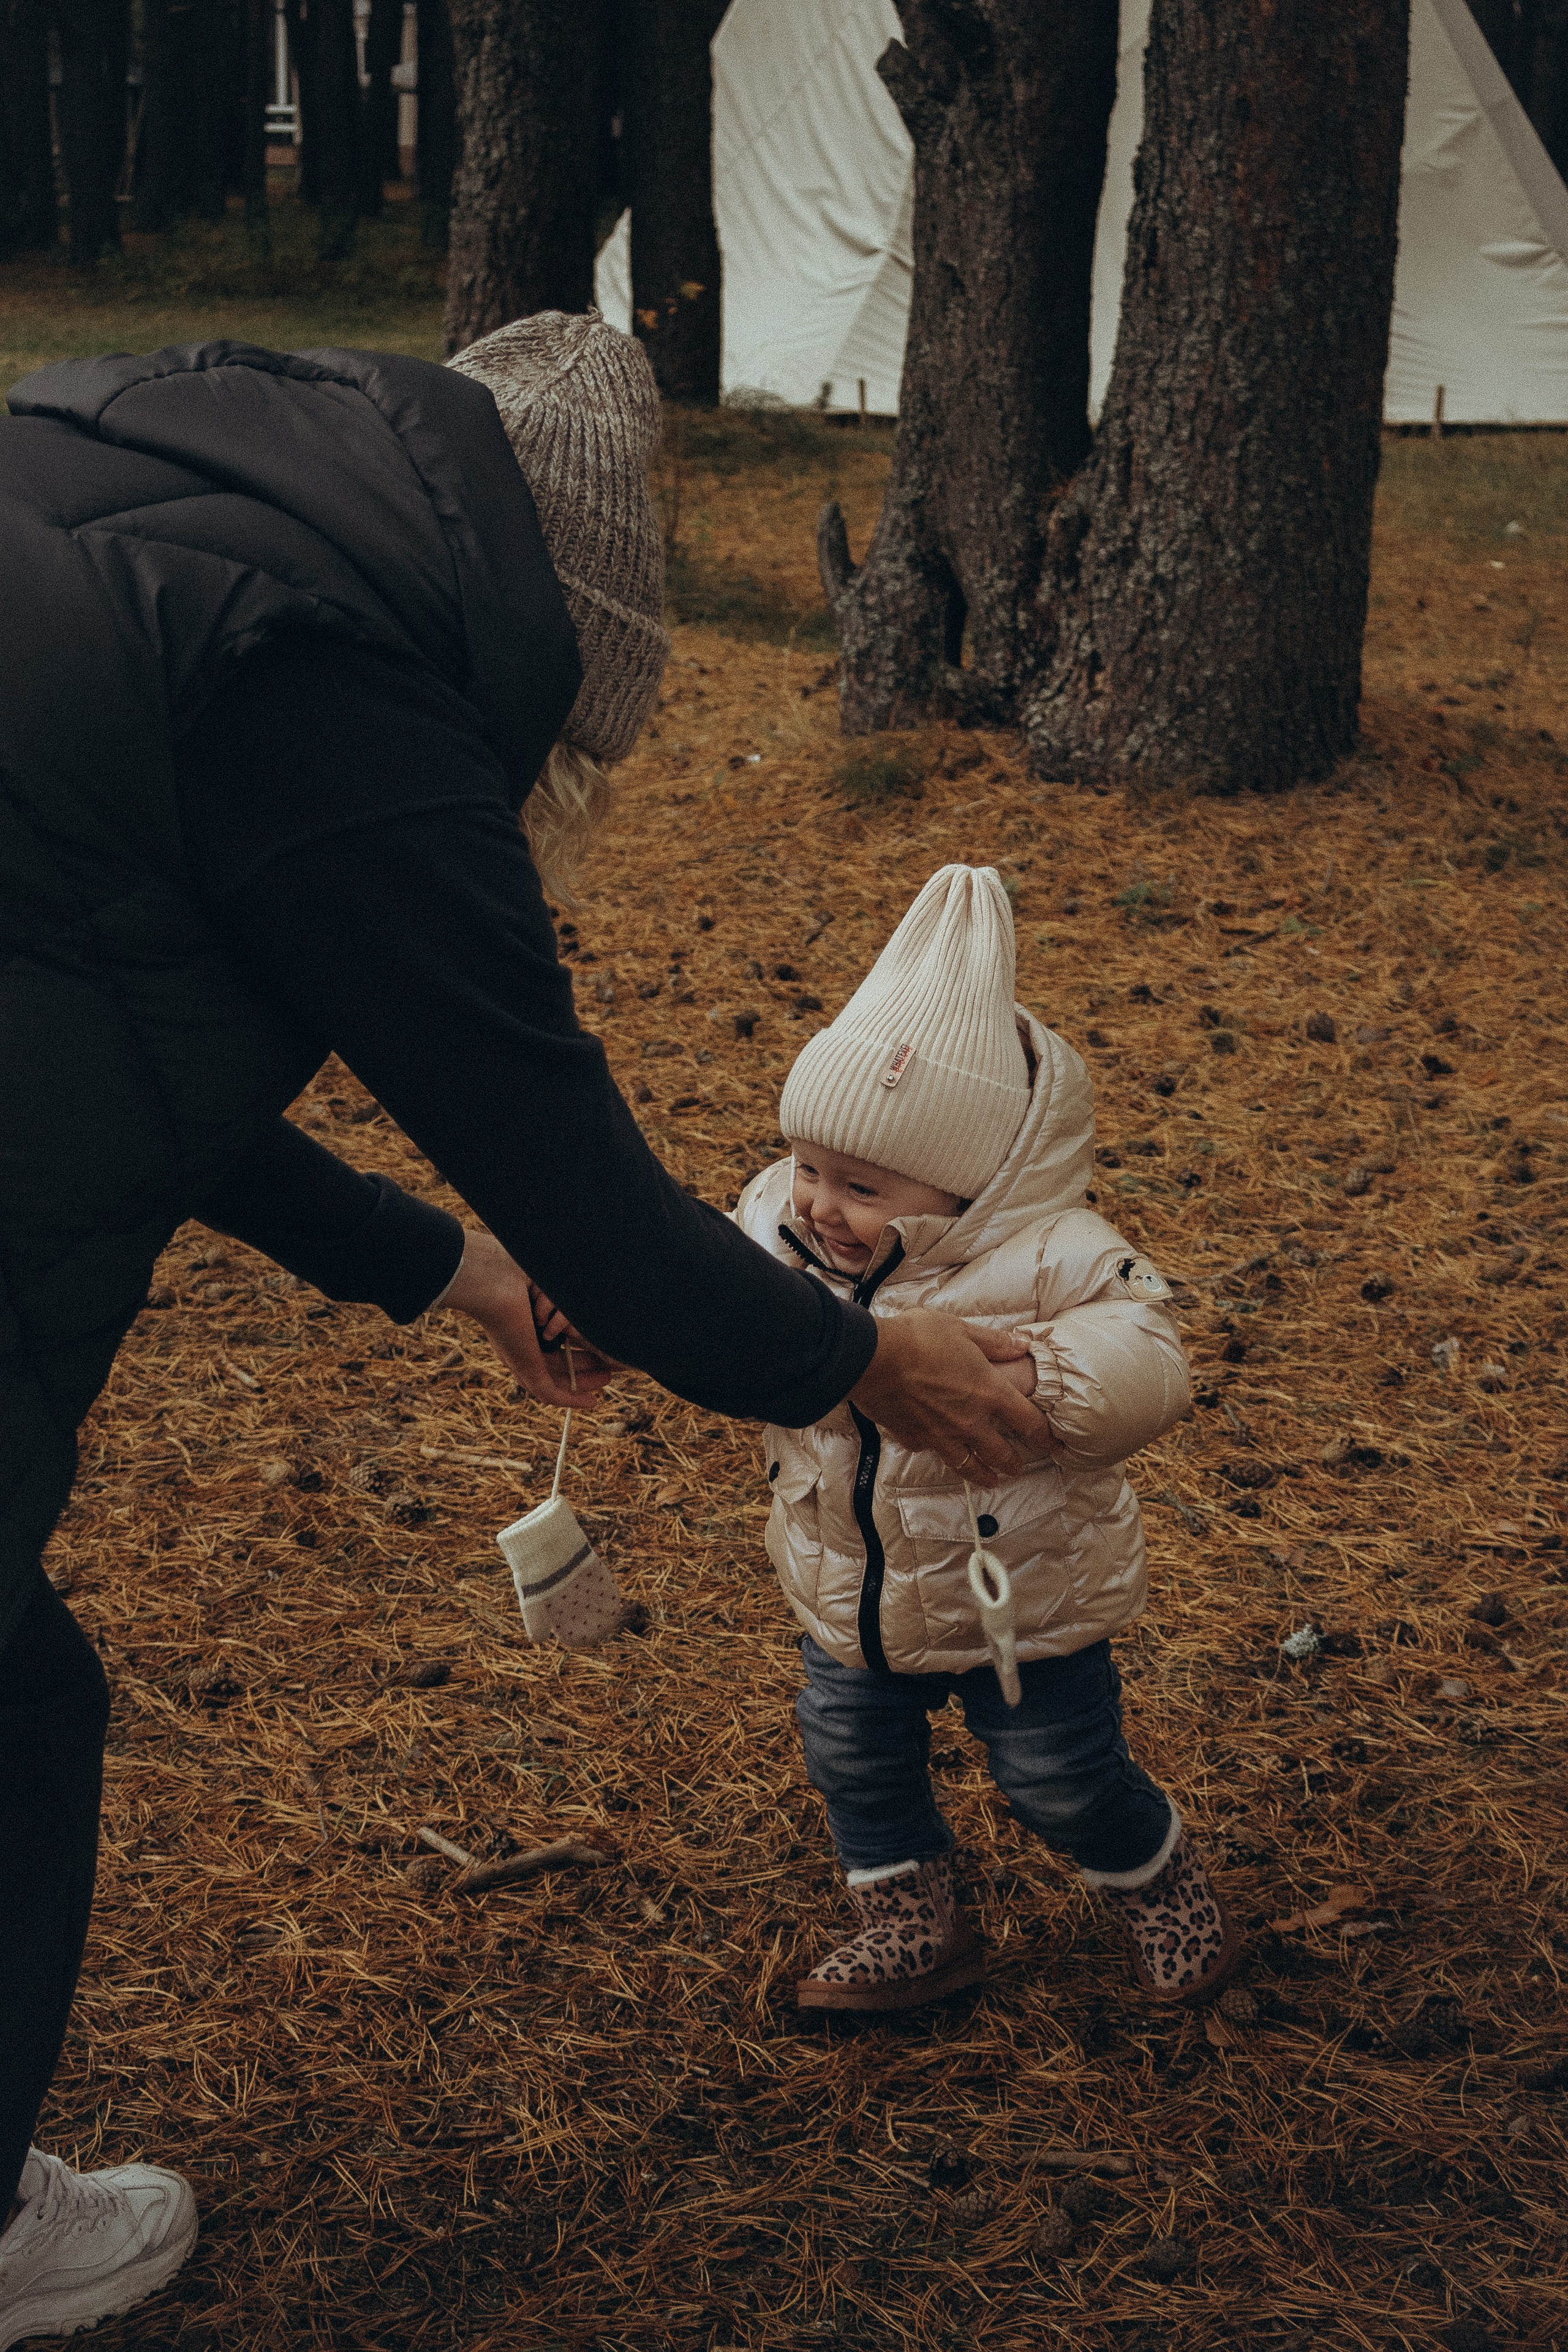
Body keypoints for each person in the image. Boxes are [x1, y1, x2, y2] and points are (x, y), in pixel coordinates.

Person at [0, 315, 1044, 2346]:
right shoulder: (326, 691)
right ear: (534, 640)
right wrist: (871, 1364)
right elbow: (593, 1194)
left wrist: (448, 1271)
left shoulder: (114, 487)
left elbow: (117, 1041)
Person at [733, 865, 1243, 2015]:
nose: (818, 1204)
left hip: (1026, 1599)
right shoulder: (776, 1235)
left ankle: (1155, 1877)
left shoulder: (1055, 1255)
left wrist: (1054, 1374)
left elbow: (1152, 1363)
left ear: (976, 1186)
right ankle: (915, 1926)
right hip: (848, 1586)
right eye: (808, 1167)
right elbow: (712, 1310)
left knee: (1058, 1777)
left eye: (861, 1185)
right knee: (853, 1762)